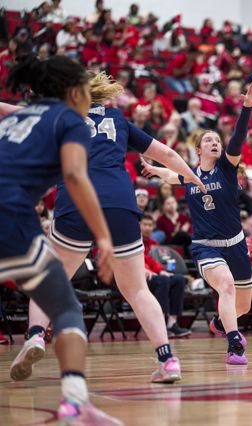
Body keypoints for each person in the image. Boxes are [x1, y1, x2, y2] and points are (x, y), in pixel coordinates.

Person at [18, 72, 205, 386]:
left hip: (76, 199)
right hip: (119, 202)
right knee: (137, 290)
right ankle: (167, 360)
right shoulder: (118, 119)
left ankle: (36, 336)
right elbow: (166, 154)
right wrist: (192, 177)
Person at [0, 55, 121, 424]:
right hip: (9, 213)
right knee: (66, 307)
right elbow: (74, 175)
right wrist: (104, 237)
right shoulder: (71, 120)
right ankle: (74, 403)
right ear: (75, 92)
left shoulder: (19, 117)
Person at [141, 78, 252, 365]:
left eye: (217, 140)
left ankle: (221, 323)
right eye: (209, 140)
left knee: (243, 306)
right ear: (198, 150)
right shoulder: (190, 174)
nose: (215, 143)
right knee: (227, 286)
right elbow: (172, 176)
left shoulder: (227, 168)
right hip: (207, 247)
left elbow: (237, 138)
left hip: (236, 245)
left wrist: (246, 107)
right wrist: (155, 170)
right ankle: (234, 345)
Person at [140, 214, 191, 337]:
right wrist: (144, 269)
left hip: (155, 276)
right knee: (163, 280)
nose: (147, 228)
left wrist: (162, 270)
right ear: (139, 226)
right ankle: (160, 324)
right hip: (140, 278)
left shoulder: (155, 244)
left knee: (178, 279)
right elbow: (139, 259)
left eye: (150, 225)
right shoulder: (136, 242)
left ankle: (172, 323)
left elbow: (155, 262)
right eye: (145, 225)